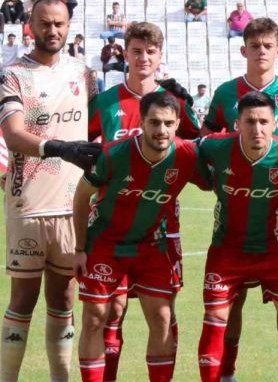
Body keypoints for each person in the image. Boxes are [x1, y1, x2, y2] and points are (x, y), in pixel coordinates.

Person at [201, 16, 278, 382]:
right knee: (231, 303)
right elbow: (205, 138)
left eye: (268, 45)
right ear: (244, 50)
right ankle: (227, 373)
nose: (261, 51)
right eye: (255, 45)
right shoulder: (225, 92)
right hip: (236, 201)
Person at [87, 21, 200, 382]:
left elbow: (199, 147)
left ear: (160, 55)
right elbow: (81, 146)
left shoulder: (174, 103)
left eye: (150, 51)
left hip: (162, 227)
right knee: (111, 311)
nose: (143, 58)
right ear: (125, 53)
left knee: (163, 311)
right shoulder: (106, 101)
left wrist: (190, 108)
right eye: (136, 51)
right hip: (110, 223)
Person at [0, 0, 101, 382]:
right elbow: (13, 135)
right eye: (44, 23)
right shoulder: (13, 75)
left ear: (69, 26)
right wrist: (61, 148)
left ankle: (61, 378)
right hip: (28, 205)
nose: (52, 30)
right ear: (31, 26)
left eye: (59, 23)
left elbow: (100, 129)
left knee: (64, 298)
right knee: (22, 300)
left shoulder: (84, 74)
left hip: (73, 206)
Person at [74, 91, 208, 382]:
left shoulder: (187, 155)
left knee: (162, 318)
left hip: (151, 245)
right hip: (106, 243)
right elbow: (82, 195)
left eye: (169, 123)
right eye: (154, 122)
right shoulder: (114, 154)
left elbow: (213, 182)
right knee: (95, 318)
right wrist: (79, 248)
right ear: (142, 123)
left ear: (177, 124)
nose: (162, 130)